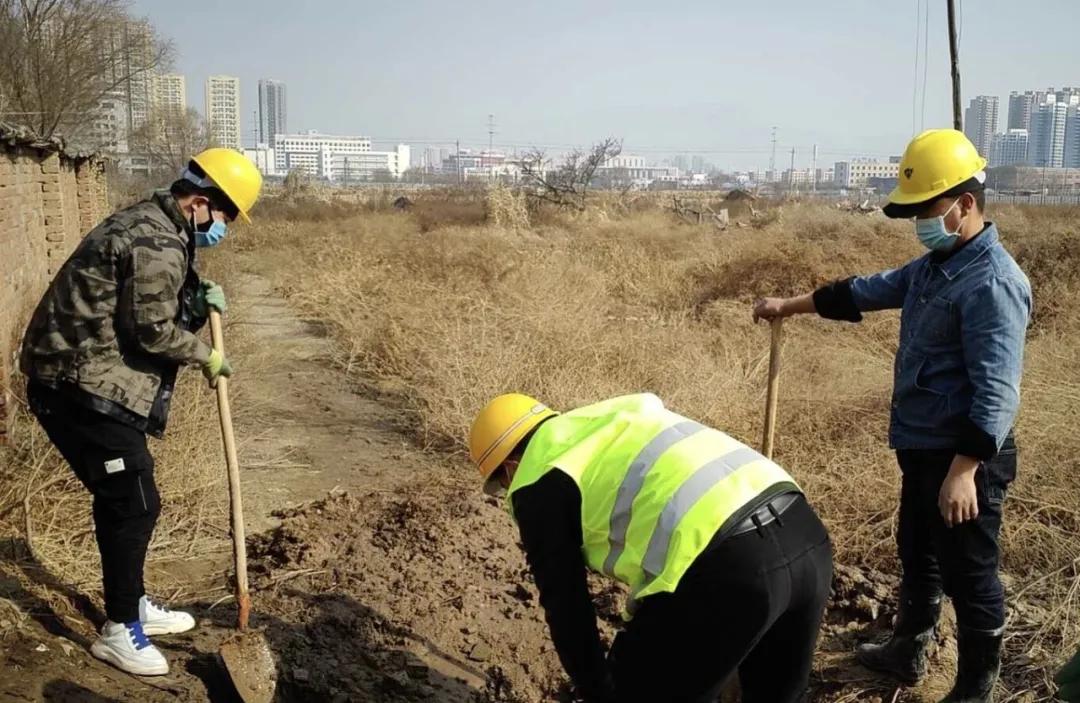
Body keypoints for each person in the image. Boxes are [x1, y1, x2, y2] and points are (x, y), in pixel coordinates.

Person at [753, 129, 1031, 702]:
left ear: (965, 205)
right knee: (919, 550)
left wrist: (964, 471)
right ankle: (909, 648)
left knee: (970, 571)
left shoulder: (994, 283)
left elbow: (997, 393)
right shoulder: (935, 265)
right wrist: (793, 305)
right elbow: (866, 291)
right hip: (923, 446)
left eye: (926, 210)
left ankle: (975, 686)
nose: (918, 224)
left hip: (966, 456)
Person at [19, 148, 263, 676]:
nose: (223, 229)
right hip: (74, 384)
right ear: (199, 203)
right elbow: (151, 330)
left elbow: (149, 307)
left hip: (86, 375)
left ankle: (130, 604)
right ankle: (118, 631)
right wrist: (206, 355)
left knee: (128, 496)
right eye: (223, 218)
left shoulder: (159, 226)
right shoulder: (156, 239)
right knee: (134, 501)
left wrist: (195, 303)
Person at [468, 392, 833, 702]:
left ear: (510, 468)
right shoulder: (611, 418)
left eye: (502, 486)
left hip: (724, 567)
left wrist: (598, 689)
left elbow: (566, 604)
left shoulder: (534, 478)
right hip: (806, 536)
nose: (508, 495)